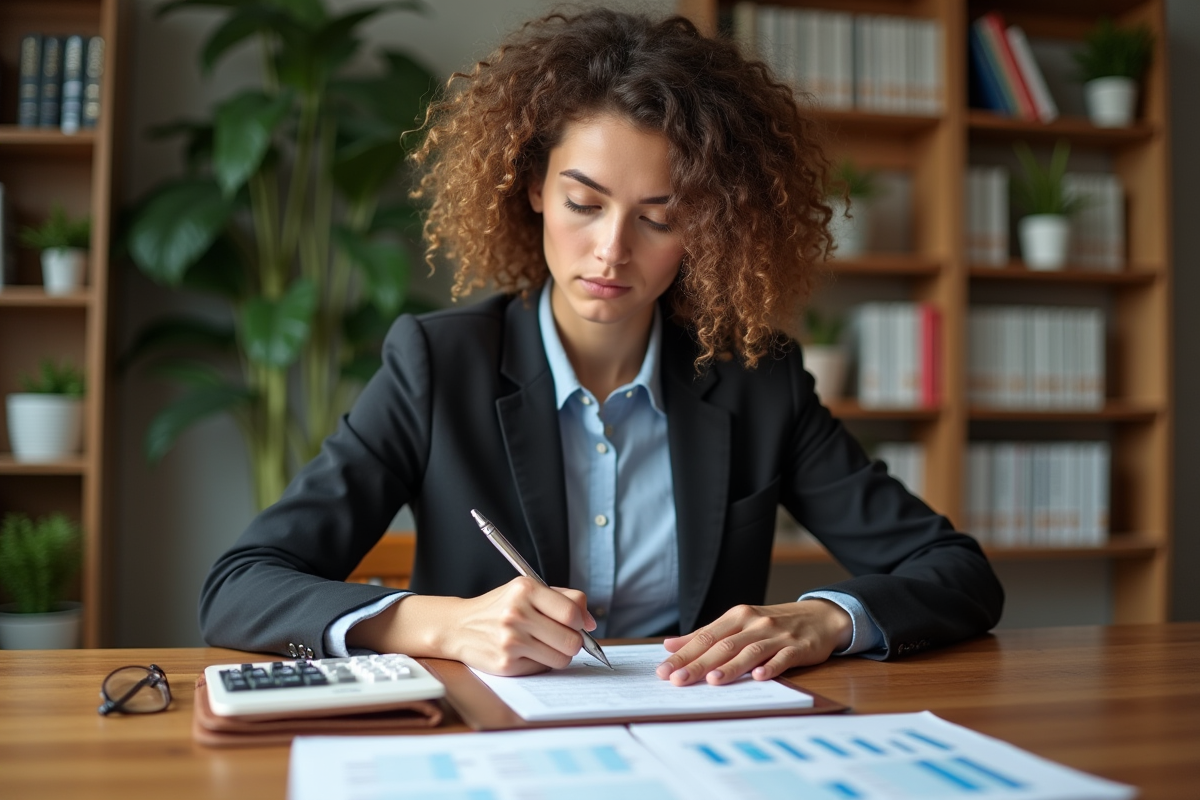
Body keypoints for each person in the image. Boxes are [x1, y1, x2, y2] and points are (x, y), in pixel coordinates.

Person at [199, 8, 1003, 686]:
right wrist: (442, 625)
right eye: (584, 204)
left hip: (700, 745)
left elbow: (957, 571)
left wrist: (825, 618)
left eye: (660, 218)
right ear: (533, 189)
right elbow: (240, 586)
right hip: (491, 747)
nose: (612, 251)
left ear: (708, 228)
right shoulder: (438, 366)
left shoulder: (758, 379)